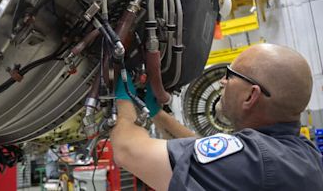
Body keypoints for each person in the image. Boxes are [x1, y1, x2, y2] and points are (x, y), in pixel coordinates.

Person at [111, 44, 323, 190]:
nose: (222, 81)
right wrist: (158, 115)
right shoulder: (305, 156)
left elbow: (127, 151)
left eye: (230, 75)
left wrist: (125, 98)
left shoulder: (255, 160)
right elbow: (205, 150)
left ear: (251, 95)